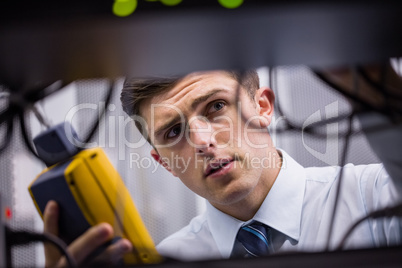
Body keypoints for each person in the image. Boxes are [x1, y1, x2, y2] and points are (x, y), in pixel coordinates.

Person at [43, 68, 402, 266]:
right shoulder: (171, 258)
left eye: (215, 107)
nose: (201, 141)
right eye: (173, 131)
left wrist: (378, 84)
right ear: (163, 162)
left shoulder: (376, 196)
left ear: (263, 107)